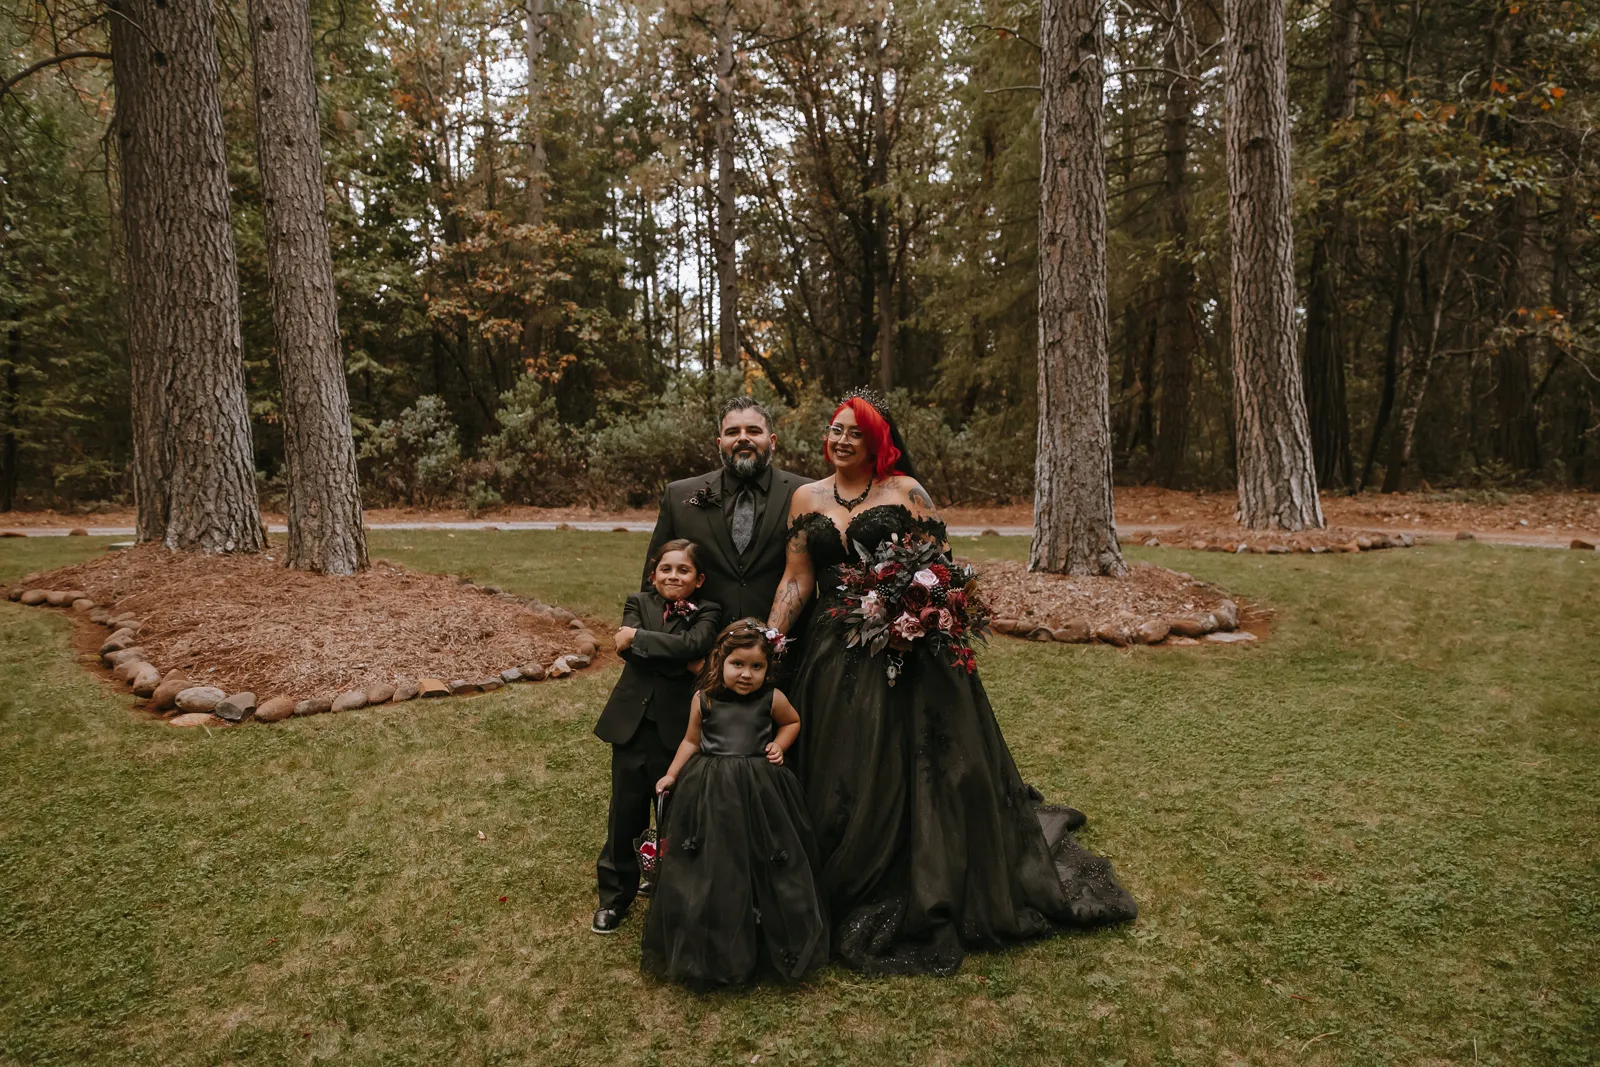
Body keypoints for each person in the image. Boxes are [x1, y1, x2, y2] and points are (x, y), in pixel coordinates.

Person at [766, 387, 1137, 975]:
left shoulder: (906, 492)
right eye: (836, 429)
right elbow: (797, 578)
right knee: (838, 760)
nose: (841, 440)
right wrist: (772, 638)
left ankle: (914, 868)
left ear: (878, 442)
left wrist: (912, 615)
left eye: (855, 433)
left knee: (908, 765)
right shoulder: (805, 498)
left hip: (905, 649)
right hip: (831, 651)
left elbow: (940, 573)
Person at [640, 620, 828, 989]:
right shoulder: (704, 699)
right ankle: (712, 937)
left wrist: (779, 745)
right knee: (715, 858)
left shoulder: (771, 698)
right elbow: (691, 741)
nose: (746, 674)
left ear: (767, 669)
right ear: (719, 662)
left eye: (757, 667)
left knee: (763, 855)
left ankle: (763, 935)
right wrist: (672, 774)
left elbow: (792, 722)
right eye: (737, 664)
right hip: (711, 789)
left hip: (761, 789)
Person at [592, 539, 721, 935]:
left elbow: (697, 643)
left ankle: (670, 886)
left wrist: (640, 639)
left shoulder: (710, 611)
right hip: (631, 725)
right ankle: (615, 897)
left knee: (676, 812)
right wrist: (683, 659)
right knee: (625, 812)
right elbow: (628, 652)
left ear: (699, 579)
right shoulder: (638, 602)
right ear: (653, 575)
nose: (673, 576)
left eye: (683, 570)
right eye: (666, 569)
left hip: (677, 730)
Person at [641, 396, 812, 629]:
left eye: (753, 431)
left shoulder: (804, 493)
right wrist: (651, 636)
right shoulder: (679, 495)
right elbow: (653, 578)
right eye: (733, 432)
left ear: (772, 441)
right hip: (698, 638)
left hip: (786, 639)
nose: (743, 438)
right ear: (720, 443)